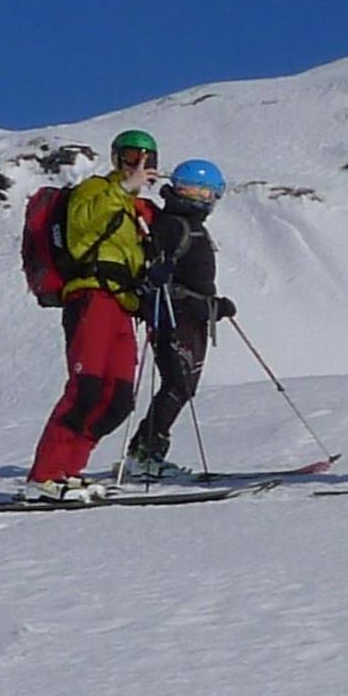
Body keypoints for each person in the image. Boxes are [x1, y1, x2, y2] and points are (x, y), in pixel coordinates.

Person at [24, 129, 160, 501]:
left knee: (117, 399)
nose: (140, 164)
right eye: (132, 156)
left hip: (123, 304)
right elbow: (81, 227)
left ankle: (69, 470)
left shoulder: (137, 212)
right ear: (117, 158)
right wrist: (122, 188)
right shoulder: (95, 189)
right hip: (91, 294)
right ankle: (45, 476)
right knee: (86, 387)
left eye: (148, 158)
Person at [121, 159, 236, 484]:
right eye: (194, 189)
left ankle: (146, 452)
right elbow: (169, 275)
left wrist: (213, 305)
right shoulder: (174, 224)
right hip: (176, 315)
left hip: (184, 313)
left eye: (207, 192)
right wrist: (207, 305)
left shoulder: (176, 222)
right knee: (178, 384)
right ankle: (144, 455)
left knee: (180, 384)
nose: (200, 197)